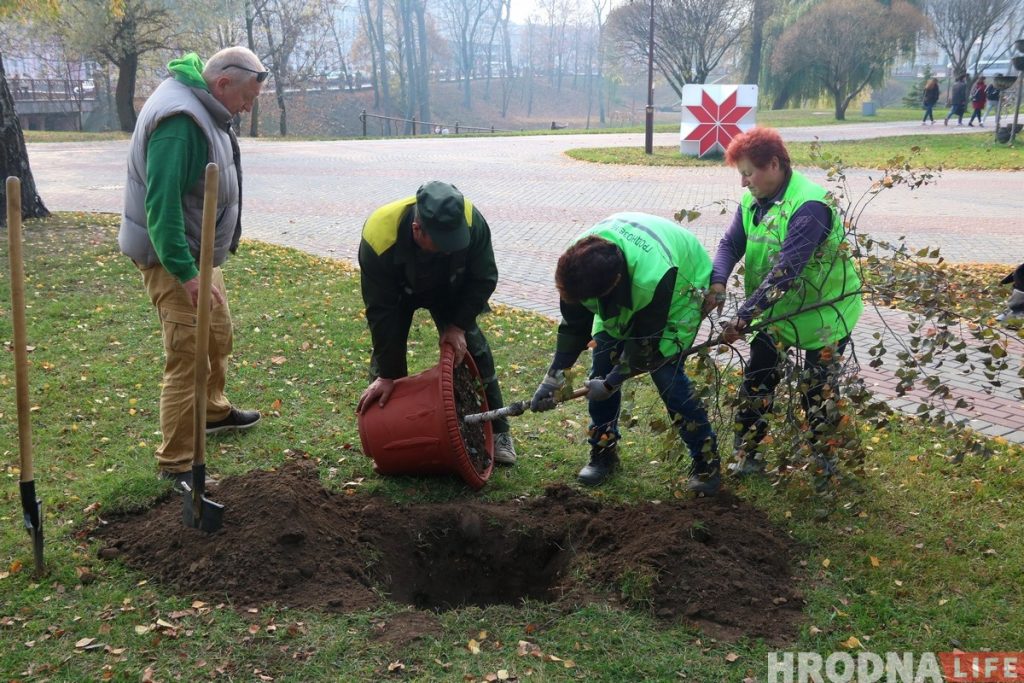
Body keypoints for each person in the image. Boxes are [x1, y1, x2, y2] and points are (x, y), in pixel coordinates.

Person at [119, 47, 267, 489]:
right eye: (246, 98)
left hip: (196, 252)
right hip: (173, 257)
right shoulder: (181, 123)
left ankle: (213, 412)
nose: (247, 108)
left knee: (218, 333)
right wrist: (185, 273)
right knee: (189, 354)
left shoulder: (203, 105)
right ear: (222, 84)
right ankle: (177, 462)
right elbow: (161, 206)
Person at [704, 127, 863, 482]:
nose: (743, 182)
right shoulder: (753, 200)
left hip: (825, 311)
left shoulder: (809, 206)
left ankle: (824, 460)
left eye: (748, 173)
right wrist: (718, 281)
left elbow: (786, 272)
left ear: (774, 164)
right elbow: (731, 244)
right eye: (741, 174)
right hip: (774, 310)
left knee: (817, 388)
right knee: (759, 378)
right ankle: (747, 453)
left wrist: (743, 317)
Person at [530, 213, 721, 493]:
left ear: (613, 285)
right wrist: (553, 378)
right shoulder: (576, 266)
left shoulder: (653, 277)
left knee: (667, 376)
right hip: (631, 281)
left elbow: (644, 346)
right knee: (602, 362)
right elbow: (574, 327)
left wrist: (611, 383)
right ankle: (603, 451)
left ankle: (707, 462)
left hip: (680, 288)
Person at [356, 181, 518, 465]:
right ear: (417, 230)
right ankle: (386, 432)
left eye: (455, 241)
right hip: (396, 289)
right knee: (386, 363)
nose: (449, 248)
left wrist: (458, 325)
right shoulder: (379, 236)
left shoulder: (471, 221)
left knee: (475, 349)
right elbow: (381, 312)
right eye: (443, 243)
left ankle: (499, 430)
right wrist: (388, 374)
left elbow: (484, 278)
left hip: (449, 287)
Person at [997, 263, 1024, 328]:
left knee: (1015, 306)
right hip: (1020, 292)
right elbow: (1016, 273)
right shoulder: (1020, 270)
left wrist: (1003, 281)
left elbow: (1015, 273)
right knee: (1016, 307)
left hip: (1018, 291)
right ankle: (1011, 318)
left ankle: (1008, 315)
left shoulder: (1020, 269)